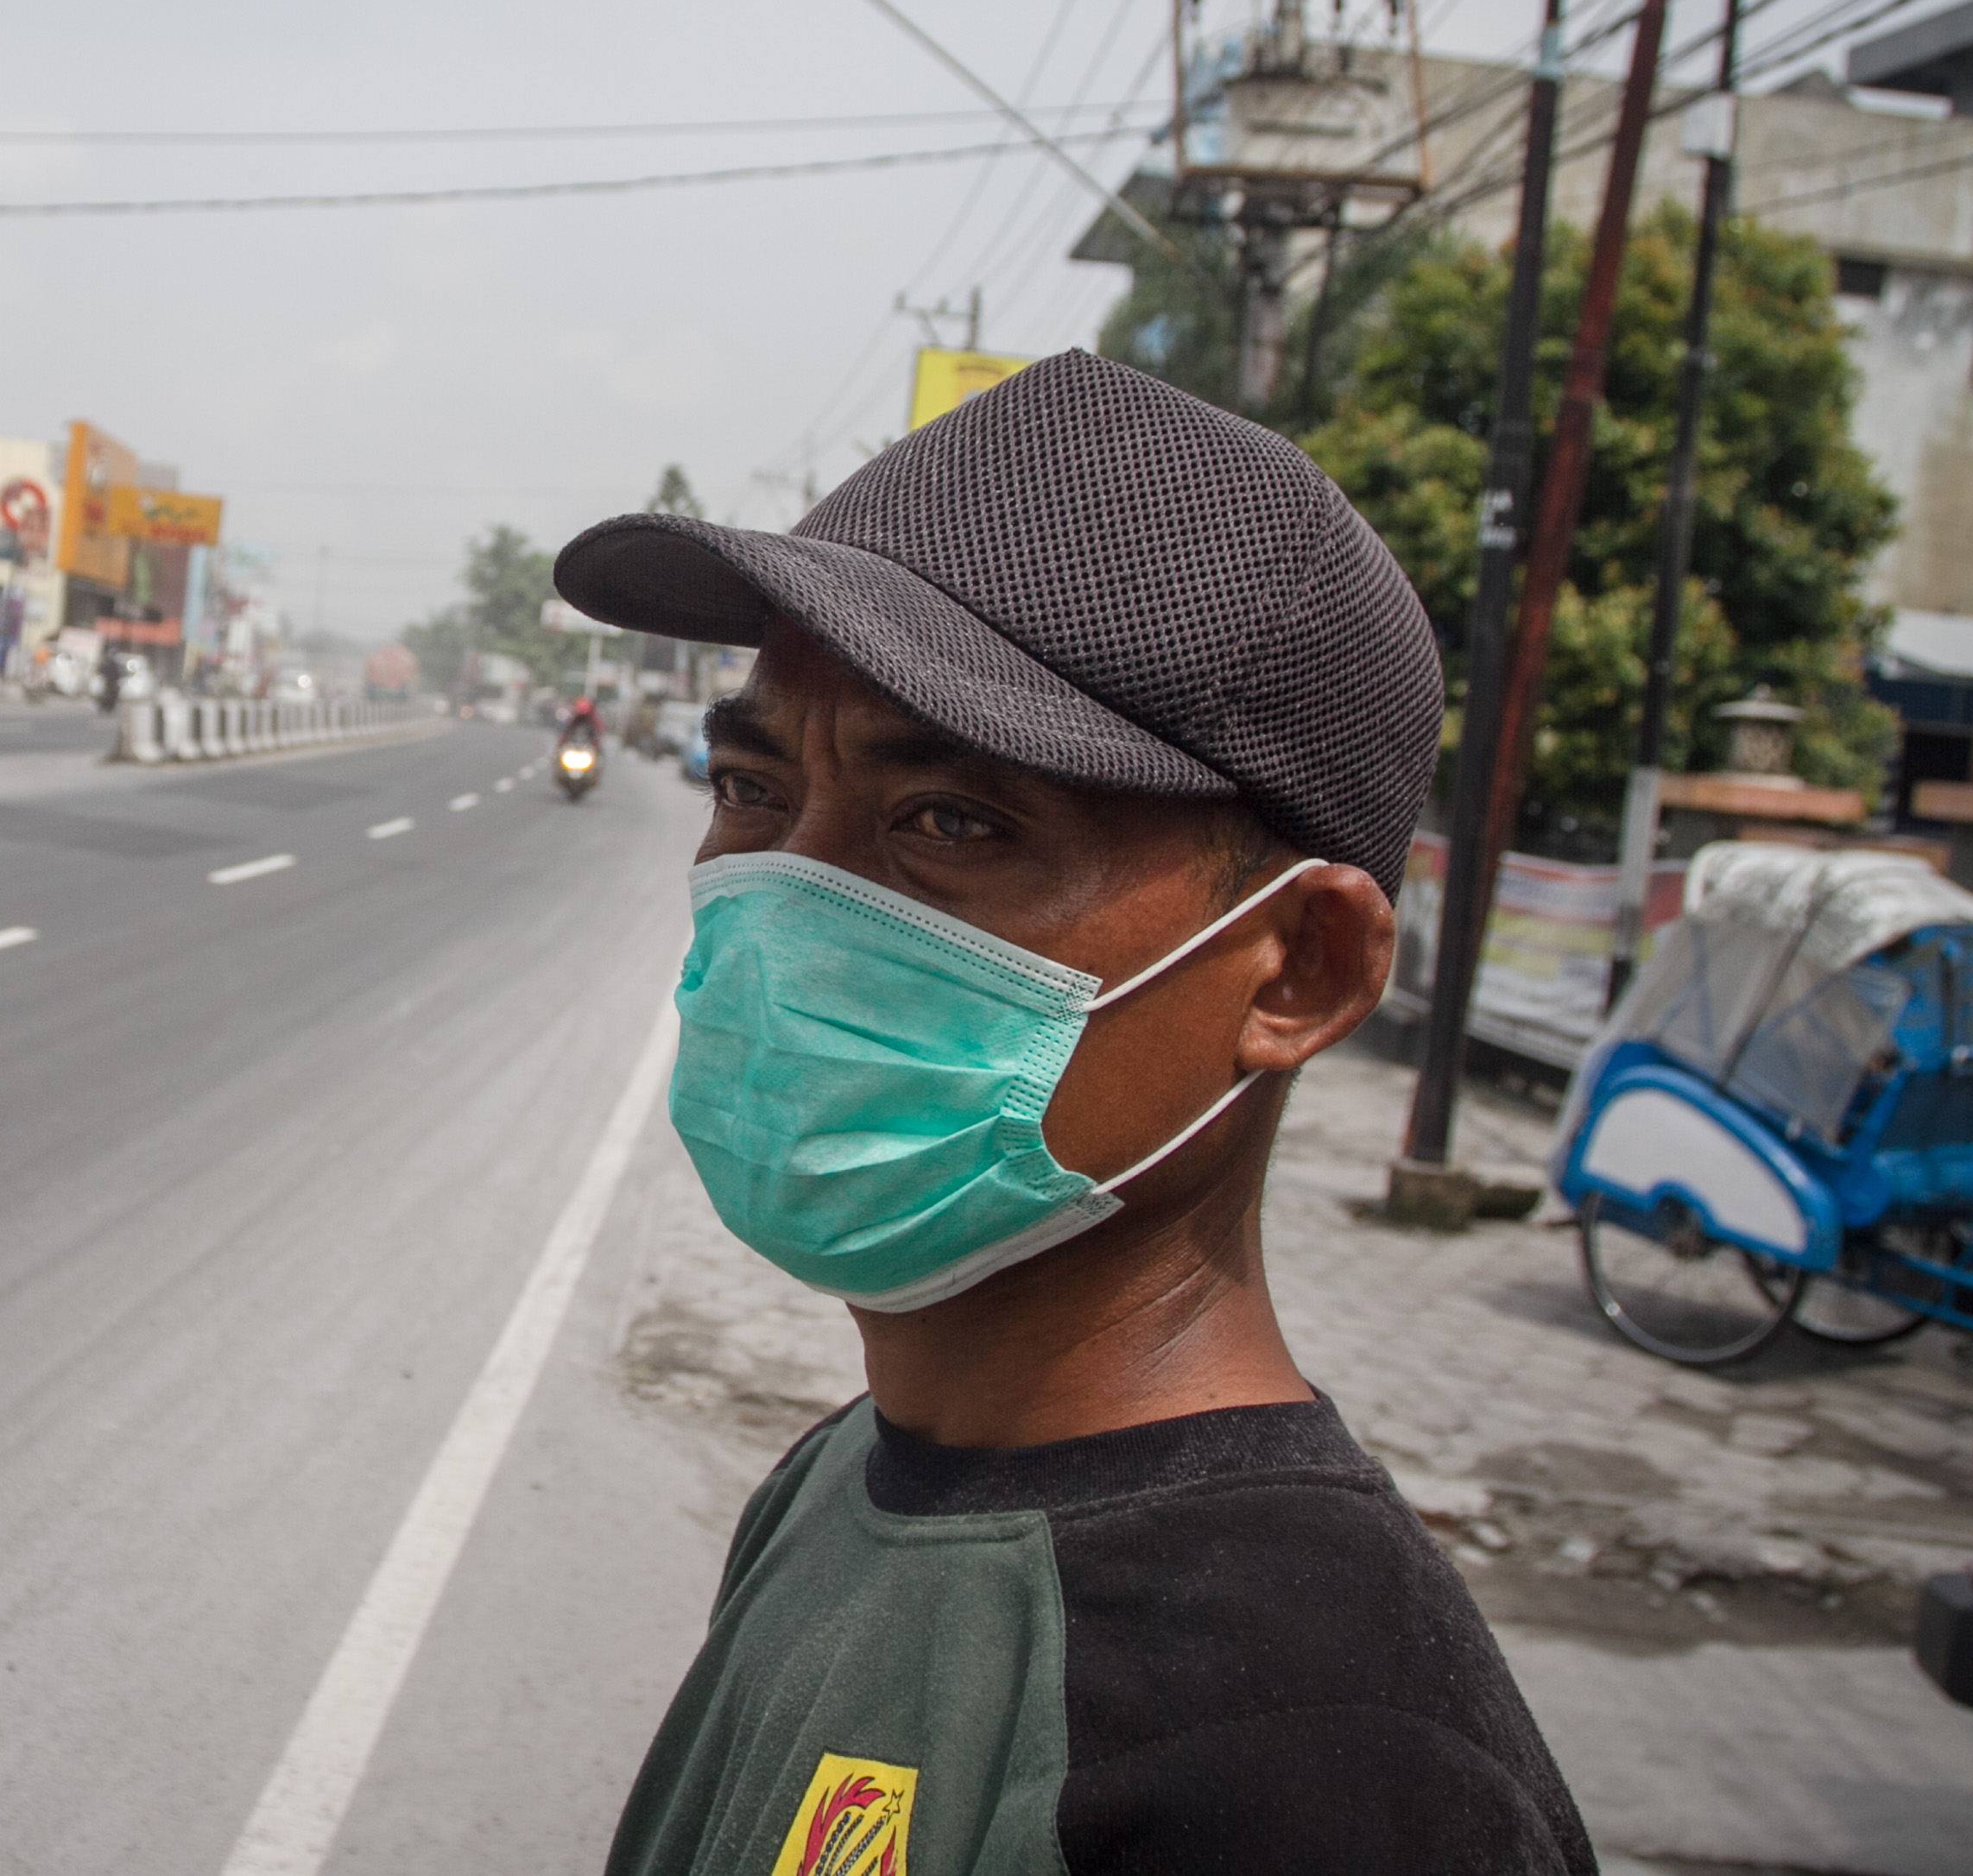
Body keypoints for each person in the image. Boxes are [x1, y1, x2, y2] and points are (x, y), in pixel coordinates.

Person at [552, 350, 1592, 1876]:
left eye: (953, 821)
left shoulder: (1322, 1766)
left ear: (1295, 967)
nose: (788, 904)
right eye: (755, 791)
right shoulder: (842, 1478)